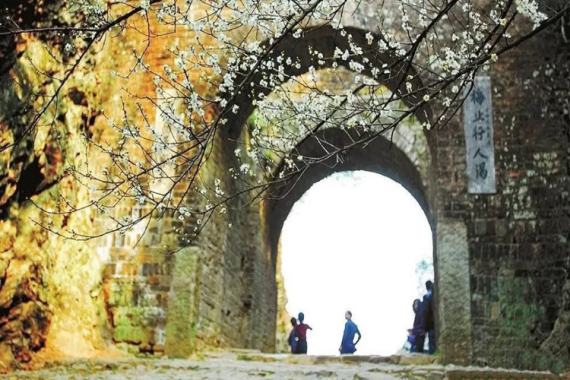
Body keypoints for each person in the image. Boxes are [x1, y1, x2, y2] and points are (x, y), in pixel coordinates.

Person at [422, 280, 436, 354]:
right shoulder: (436, 295)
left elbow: (425, 312)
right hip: (436, 322)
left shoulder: (427, 296)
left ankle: (433, 356)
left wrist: (425, 326)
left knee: (432, 343)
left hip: (430, 323)